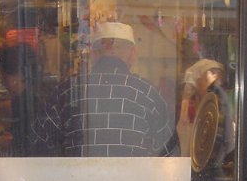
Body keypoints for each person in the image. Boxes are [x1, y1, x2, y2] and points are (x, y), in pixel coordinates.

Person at [29, 21, 174, 157]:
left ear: (92, 55)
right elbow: (169, 152)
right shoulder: (149, 94)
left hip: (77, 176)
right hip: (134, 176)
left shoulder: (67, 91)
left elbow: (39, 144)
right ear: (133, 54)